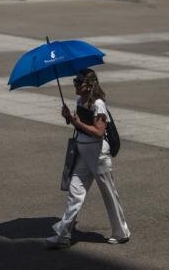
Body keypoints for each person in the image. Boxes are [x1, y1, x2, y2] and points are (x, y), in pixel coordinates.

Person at [46, 68, 130, 249]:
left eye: (78, 81)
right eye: (75, 81)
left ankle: (121, 232)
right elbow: (81, 127)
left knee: (109, 193)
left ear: (88, 85)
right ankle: (63, 235)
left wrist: (77, 123)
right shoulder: (79, 101)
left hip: (98, 155)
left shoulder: (98, 104)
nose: (74, 84)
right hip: (83, 153)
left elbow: (99, 132)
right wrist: (69, 118)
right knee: (75, 193)